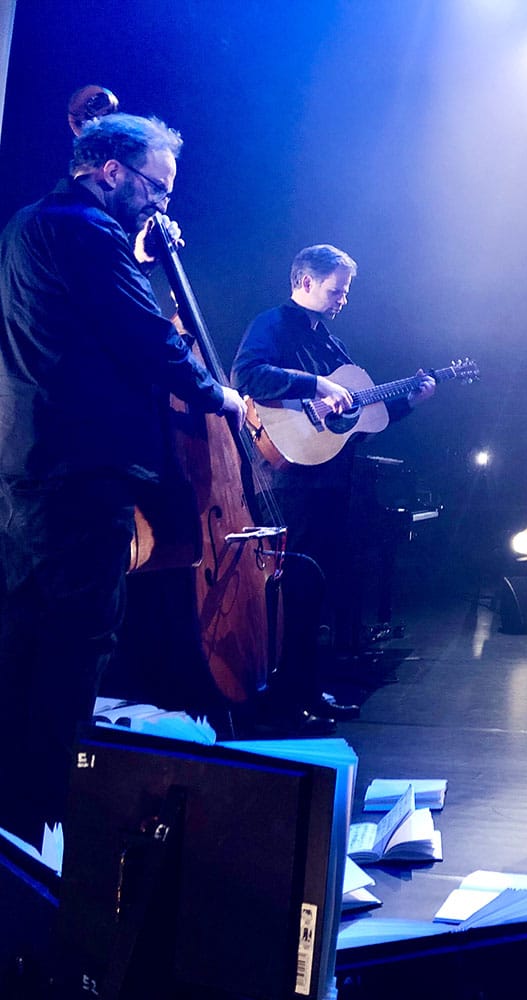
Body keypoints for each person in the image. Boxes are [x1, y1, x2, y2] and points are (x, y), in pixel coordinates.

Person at [0, 113, 245, 850]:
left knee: (20, 644)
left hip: (26, 467)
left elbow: (83, 323)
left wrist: (134, 254)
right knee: (76, 647)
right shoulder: (89, 232)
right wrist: (222, 397)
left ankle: (16, 830)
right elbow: (149, 339)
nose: (161, 203)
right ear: (111, 170)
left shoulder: (30, 224)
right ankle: (53, 826)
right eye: (156, 187)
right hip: (83, 475)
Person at [231, 244, 435, 724]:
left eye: (345, 292)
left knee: (314, 592)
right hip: (289, 482)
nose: (343, 299)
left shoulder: (330, 343)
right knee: (293, 589)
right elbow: (247, 375)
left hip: (329, 482)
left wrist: (410, 401)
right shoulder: (272, 324)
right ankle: (282, 697)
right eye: (336, 290)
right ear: (305, 282)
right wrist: (318, 385)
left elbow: (363, 416)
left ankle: (306, 689)